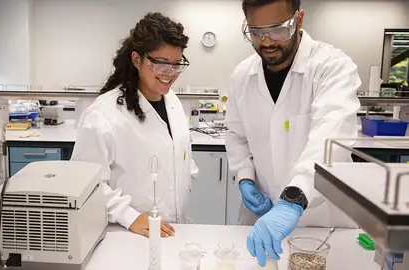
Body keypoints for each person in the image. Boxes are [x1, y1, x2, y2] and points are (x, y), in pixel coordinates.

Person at [225, 0, 361, 266]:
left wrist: (293, 199)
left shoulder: (331, 66)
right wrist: (244, 179)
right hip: (262, 216)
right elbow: (236, 135)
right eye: (255, 31)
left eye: (277, 29)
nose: (266, 42)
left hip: (320, 221)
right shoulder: (242, 76)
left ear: (299, 19)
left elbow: (331, 138)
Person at [71, 12, 198, 238]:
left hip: (172, 229)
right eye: (161, 63)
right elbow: (84, 183)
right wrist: (129, 216)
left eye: (177, 64)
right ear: (137, 59)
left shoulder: (173, 102)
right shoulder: (104, 115)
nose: (171, 73)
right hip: (128, 233)